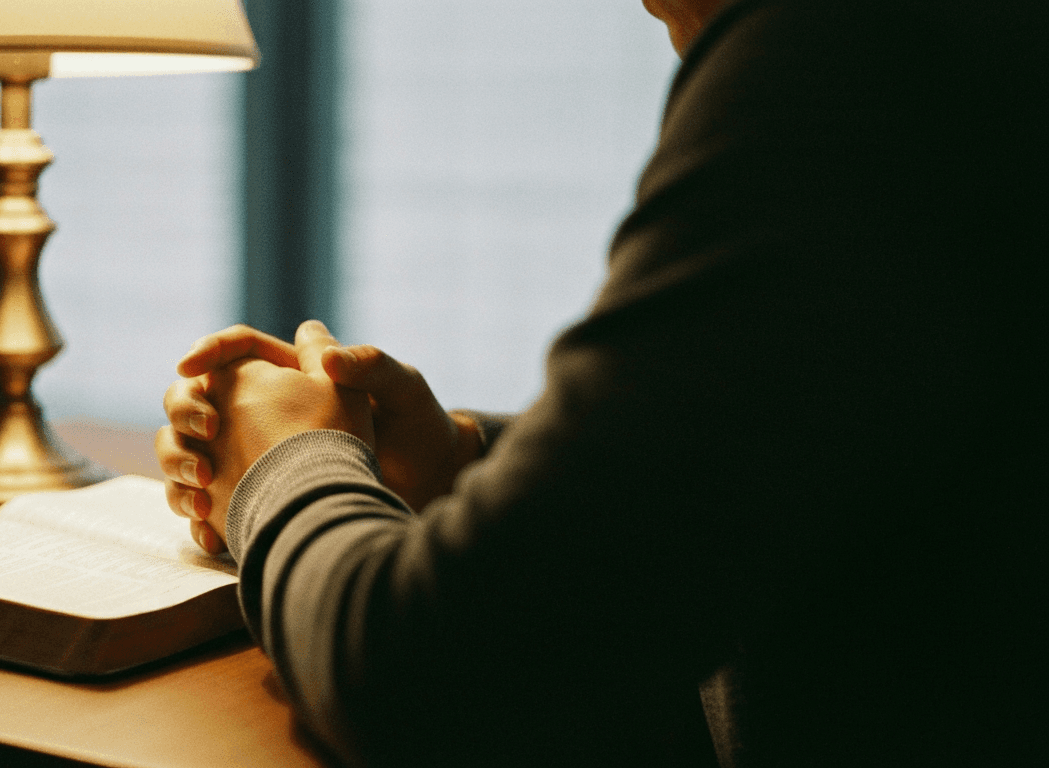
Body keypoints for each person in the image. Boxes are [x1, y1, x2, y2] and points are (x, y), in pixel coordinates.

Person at [156, 0, 1046, 765]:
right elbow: (775, 471)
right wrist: (462, 461)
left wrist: (282, 461)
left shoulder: (846, 57)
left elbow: (431, 677)